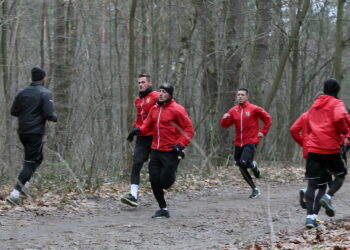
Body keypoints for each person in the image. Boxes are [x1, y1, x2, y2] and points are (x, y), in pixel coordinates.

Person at [127, 83, 194, 218]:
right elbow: (146, 125)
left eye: (164, 92)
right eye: (160, 91)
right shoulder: (154, 109)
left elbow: (189, 130)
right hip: (155, 150)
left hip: (170, 151)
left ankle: (177, 161)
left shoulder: (177, 109)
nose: (161, 94)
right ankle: (163, 208)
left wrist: (180, 146)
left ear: (170, 94)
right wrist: (138, 130)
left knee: (165, 182)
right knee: (154, 180)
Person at [6, 67, 58, 206]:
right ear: (43, 79)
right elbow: (48, 114)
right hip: (34, 132)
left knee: (38, 158)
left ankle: (24, 186)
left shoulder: (22, 92)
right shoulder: (45, 93)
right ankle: (15, 193)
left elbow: (13, 111)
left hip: (22, 132)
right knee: (29, 163)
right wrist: (55, 117)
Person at [303, 78, 348, 229]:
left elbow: (308, 121)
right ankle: (327, 197)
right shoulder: (337, 103)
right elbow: (340, 117)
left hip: (313, 149)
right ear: (337, 91)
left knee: (313, 184)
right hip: (329, 148)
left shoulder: (315, 104)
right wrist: (342, 130)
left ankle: (310, 217)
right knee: (341, 175)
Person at [220, 88, 272, 198]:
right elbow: (225, 125)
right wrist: (224, 118)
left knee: (243, 162)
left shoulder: (254, 109)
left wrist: (263, 132)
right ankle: (255, 189)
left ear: (247, 97)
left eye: (242, 95)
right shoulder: (233, 110)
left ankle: (252, 164)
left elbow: (268, 119)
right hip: (238, 142)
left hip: (251, 141)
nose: (240, 96)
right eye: (238, 94)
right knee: (240, 165)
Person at [122, 74, 158, 207]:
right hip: (142, 138)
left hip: (154, 137)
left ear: (149, 83)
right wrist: (133, 131)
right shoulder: (138, 100)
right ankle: (133, 196)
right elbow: (139, 119)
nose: (140, 84)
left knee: (155, 169)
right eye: (139, 82)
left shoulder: (155, 96)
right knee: (136, 164)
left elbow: (162, 113)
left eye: (143, 82)